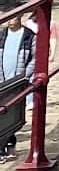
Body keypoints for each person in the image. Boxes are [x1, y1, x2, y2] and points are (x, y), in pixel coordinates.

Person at [0, 13, 35, 162]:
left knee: (11, 116)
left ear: (19, 16)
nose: (9, 21)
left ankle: (9, 144)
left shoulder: (29, 36)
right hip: (2, 81)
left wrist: (24, 76)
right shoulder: (1, 35)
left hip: (17, 82)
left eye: (11, 17)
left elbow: (35, 57)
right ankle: (4, 148)